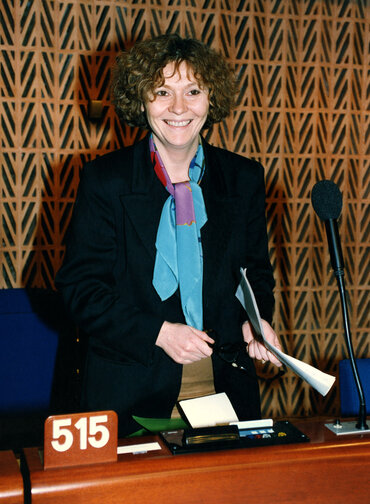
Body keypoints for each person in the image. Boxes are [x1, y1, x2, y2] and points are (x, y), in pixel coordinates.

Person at [55, 33, 282, 436]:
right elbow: (80, 290)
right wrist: (158, 333)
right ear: (141, 100)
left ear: (211, 98)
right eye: (162, 91)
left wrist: (255, 319)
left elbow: (256, 273)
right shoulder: (104, 180)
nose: (179, 107)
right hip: (129, 393)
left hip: (225, 390)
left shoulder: (244, 177)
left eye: (193, 90)